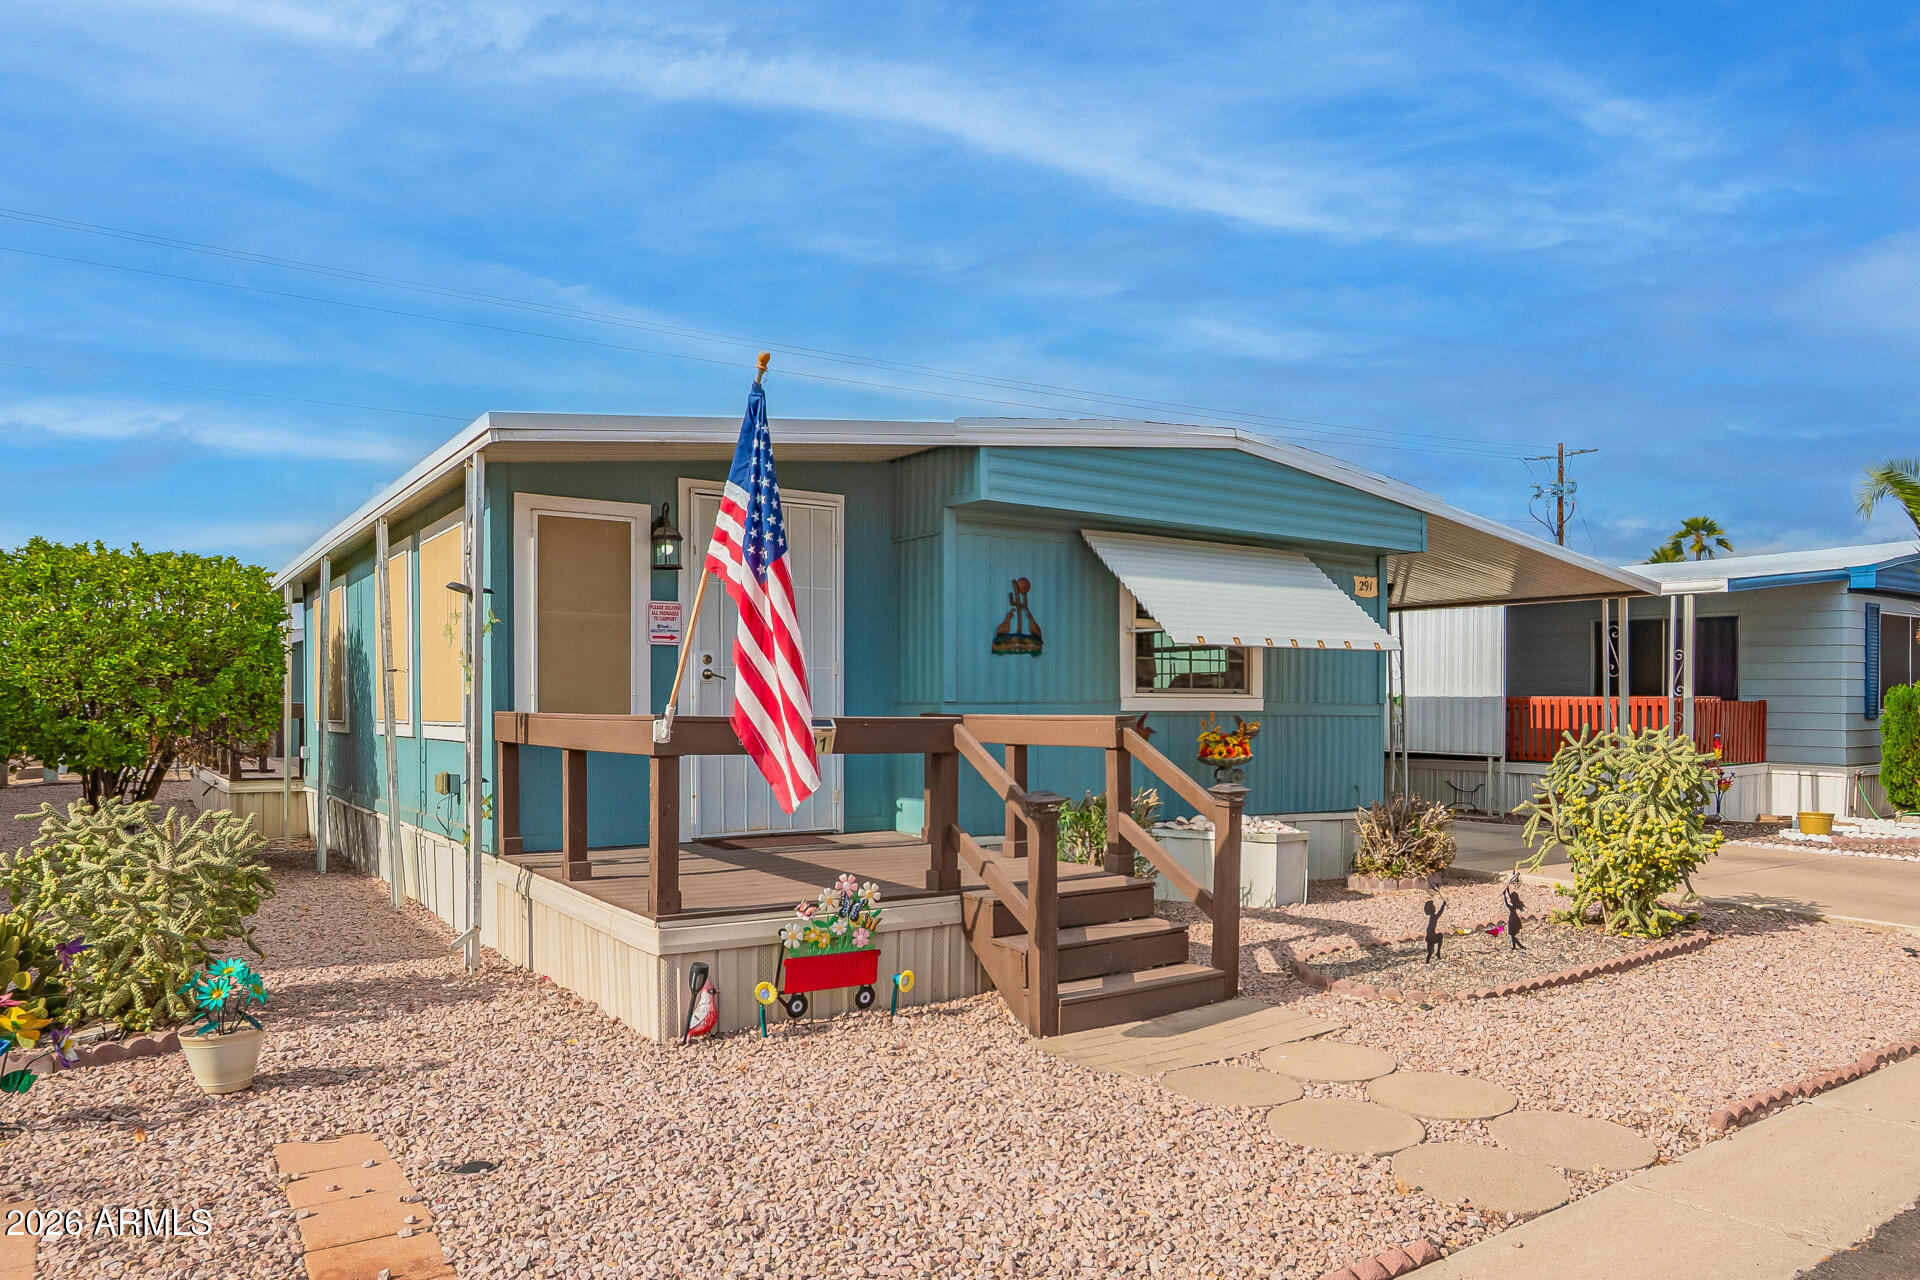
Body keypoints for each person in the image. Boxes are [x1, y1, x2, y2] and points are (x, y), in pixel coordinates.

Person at [1423, 893, 1447, 963]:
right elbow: (1440, 913)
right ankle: (1438, 952)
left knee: (1430, 951)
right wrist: (1443, 905)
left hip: (1429, 935)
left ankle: (1428, 961)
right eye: (1433, 907)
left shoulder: (1431, 917)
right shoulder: (1433, 917)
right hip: (1431, 935)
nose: (1435, 908)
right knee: (1440, 936)